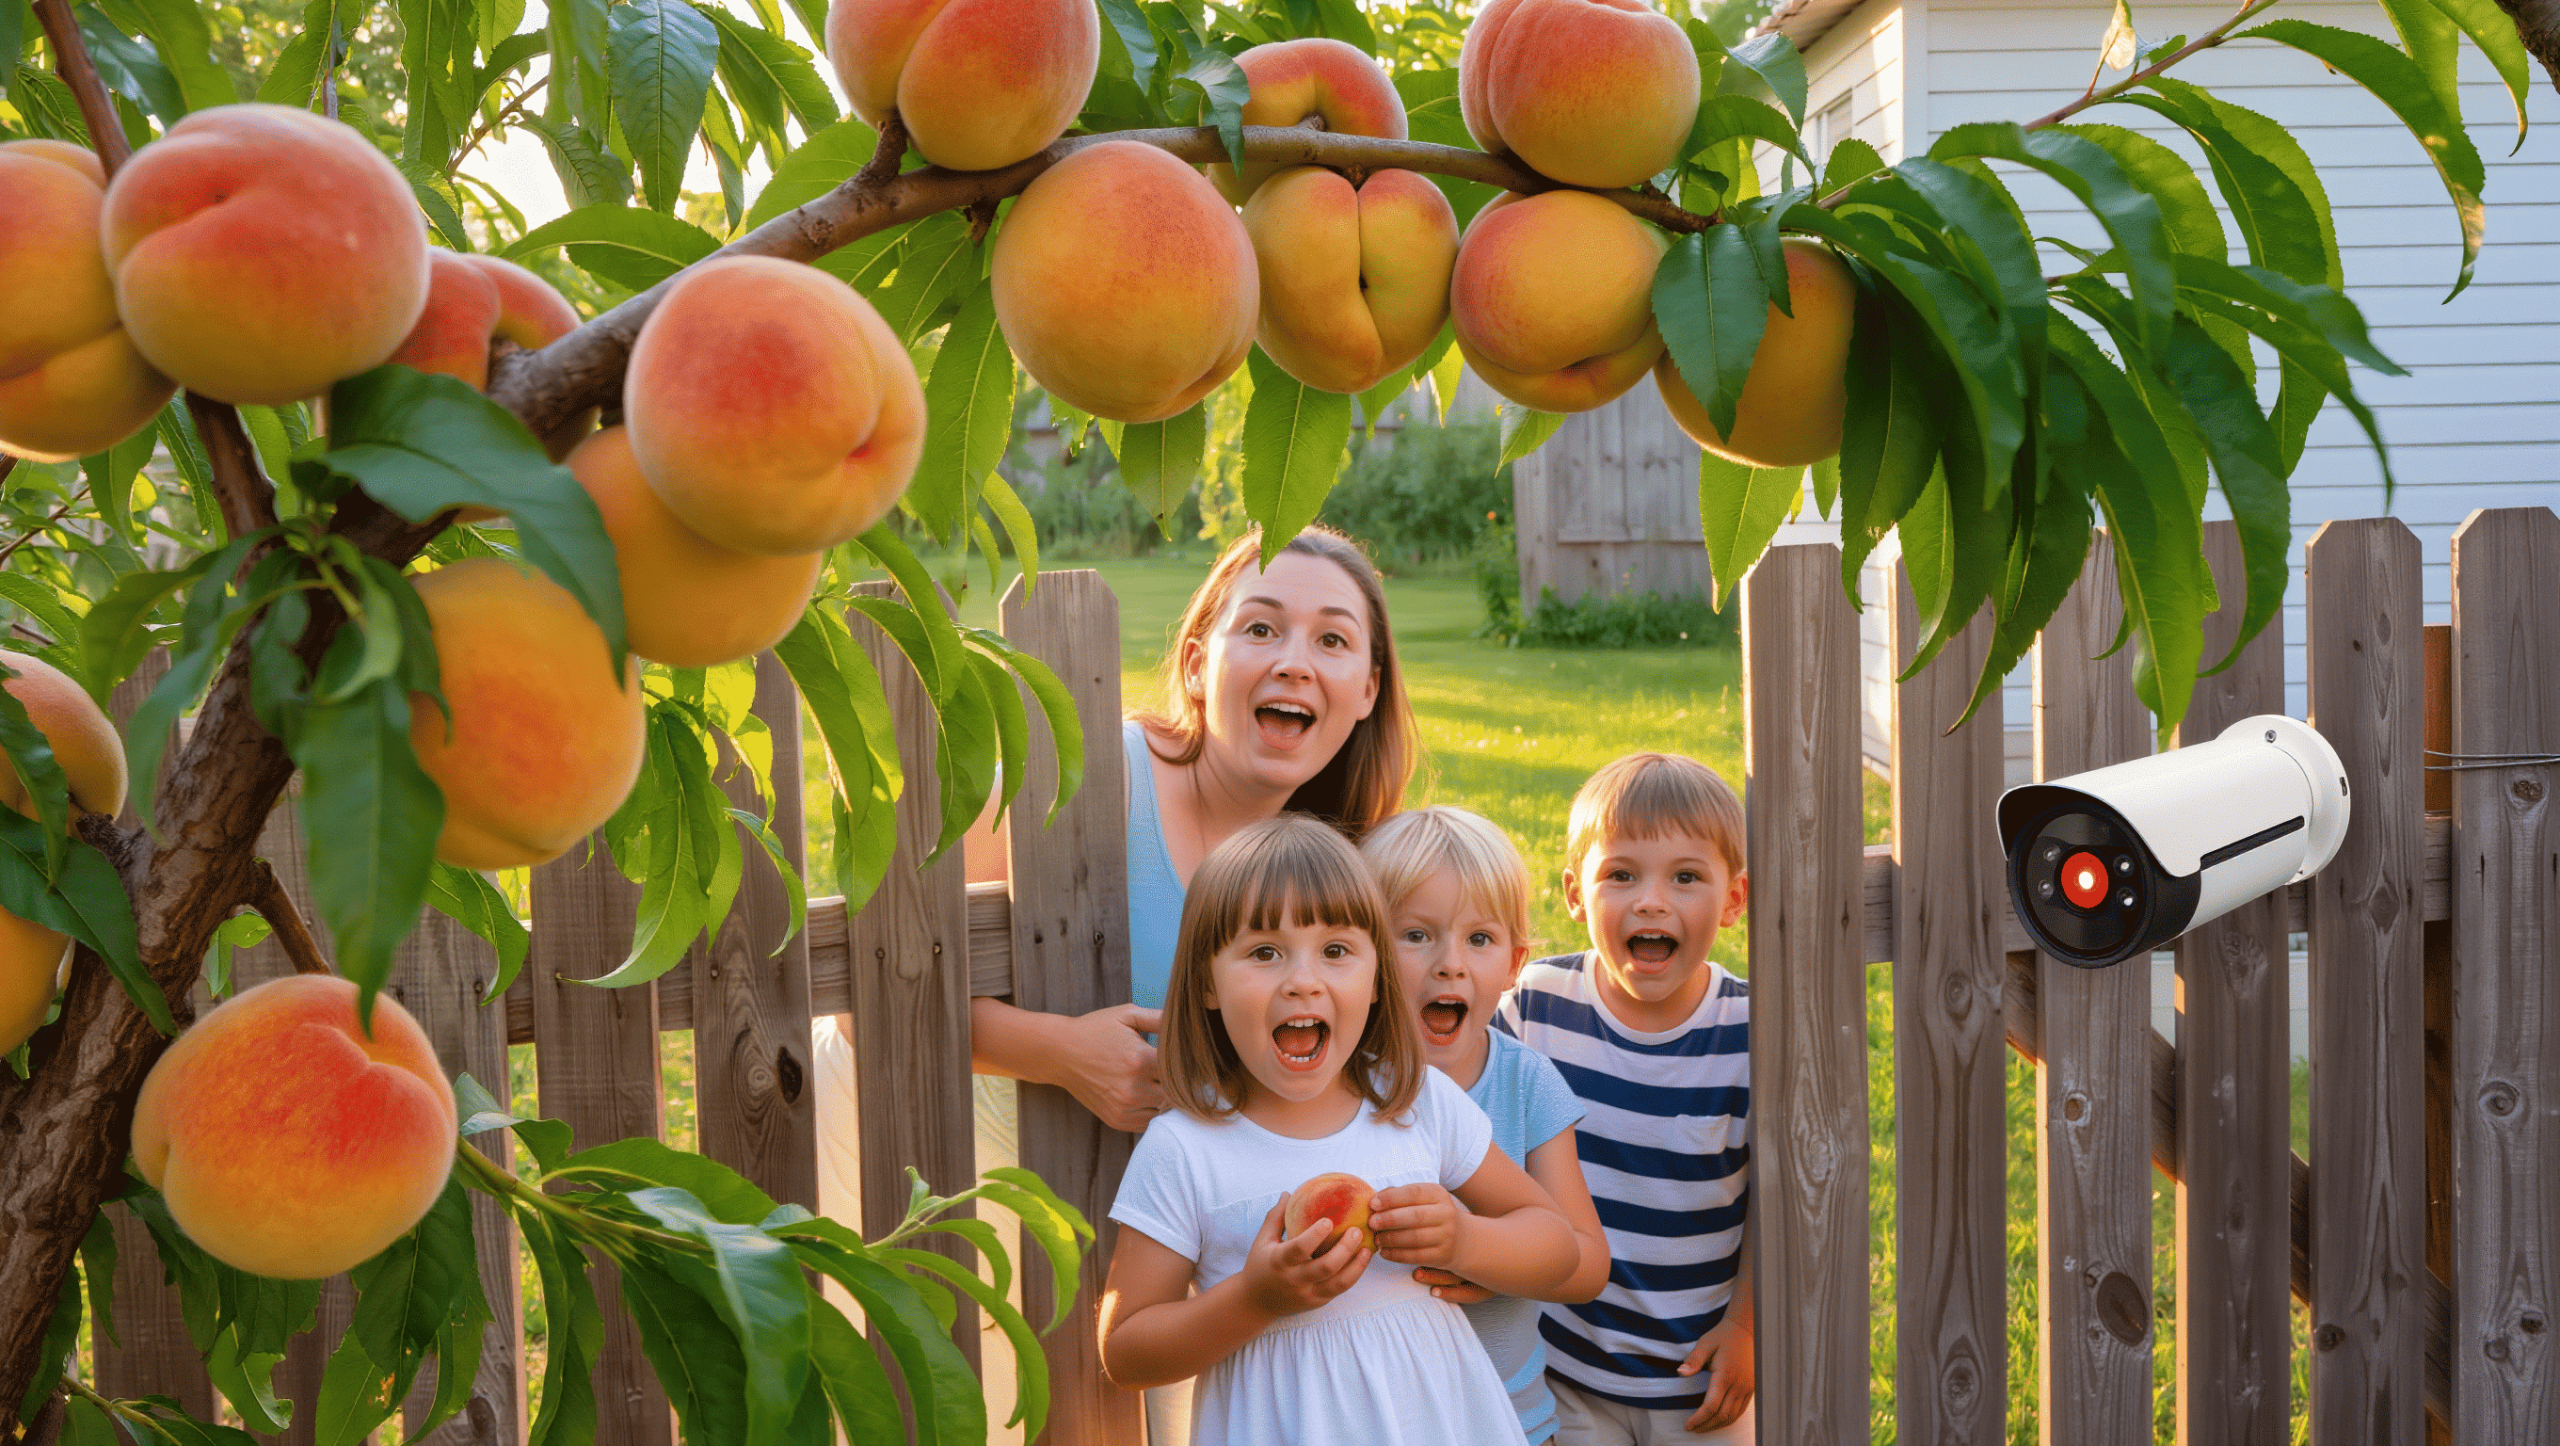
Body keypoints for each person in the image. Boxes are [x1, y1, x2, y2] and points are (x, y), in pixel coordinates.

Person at [1099, 816, 1579, 1446]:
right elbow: (1126, 1351)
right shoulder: (1186, 1149)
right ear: (1207, 985)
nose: (1304, 980)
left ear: (1376, 979)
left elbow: (1557, 1246)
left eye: (1335, 951)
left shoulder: (1416, 1103)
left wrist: (1465, 1238)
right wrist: (1255, 1299)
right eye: (1265, 952)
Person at [971, 525, 1421, 1135]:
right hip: (943, 1166)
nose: (1294, 664)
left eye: (1332, 640)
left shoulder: (1345, 865)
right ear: (1195, 664)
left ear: (1368, 689)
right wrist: (1061, 1052)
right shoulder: (1091, 785)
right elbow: (876, 990)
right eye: (1260, 629)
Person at [1497, 754, 1757, 1444]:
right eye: (1621, 874)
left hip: (1697, 1378)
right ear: (1576, 895)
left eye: (1686, 877)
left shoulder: (1747, 1034)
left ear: (1734, 899)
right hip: (1565, 1366)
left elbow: (1776, 1199)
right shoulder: (1536, 1007)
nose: (1651, 900)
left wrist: (1747, 1325)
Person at [1360, 806, 1612, 1444]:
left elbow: (1586, 1264)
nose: (1450, 964)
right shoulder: (1336, 1083)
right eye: (1416, 935)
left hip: (1508, 1421)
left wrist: (1478, 1250)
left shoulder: (1527, 1083)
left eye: (1479, 939)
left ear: (1514, 964)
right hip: (1373, 1421)